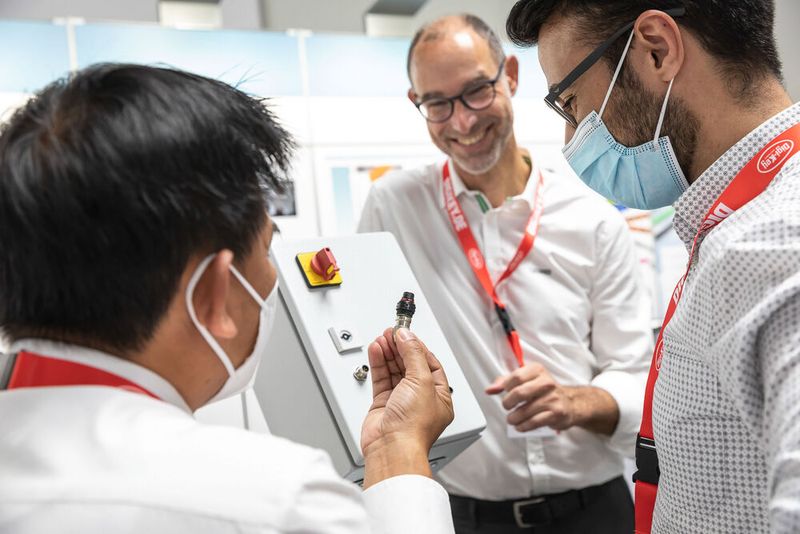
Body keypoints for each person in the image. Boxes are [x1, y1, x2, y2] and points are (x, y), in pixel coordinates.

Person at [0, 64, 456, 534]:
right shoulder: (274, 502)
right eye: (265, 247)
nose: (271, 272)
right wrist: (398, 450)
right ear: (213, 292)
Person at [505, 0, 800, 532]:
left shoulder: (775, 243)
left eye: (570, 104)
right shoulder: (734, 226)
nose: (571, 141)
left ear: (656, 49)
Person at [358, 14, 653, 533]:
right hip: (466, 514)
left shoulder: (591, 217)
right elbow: (360, 343)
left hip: (593, 512)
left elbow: (635, 375)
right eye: (438, 104)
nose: (463, 122)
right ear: (417, 104)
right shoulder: (394, 208)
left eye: (476, 91)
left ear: (510, 76)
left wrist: (573, 401)